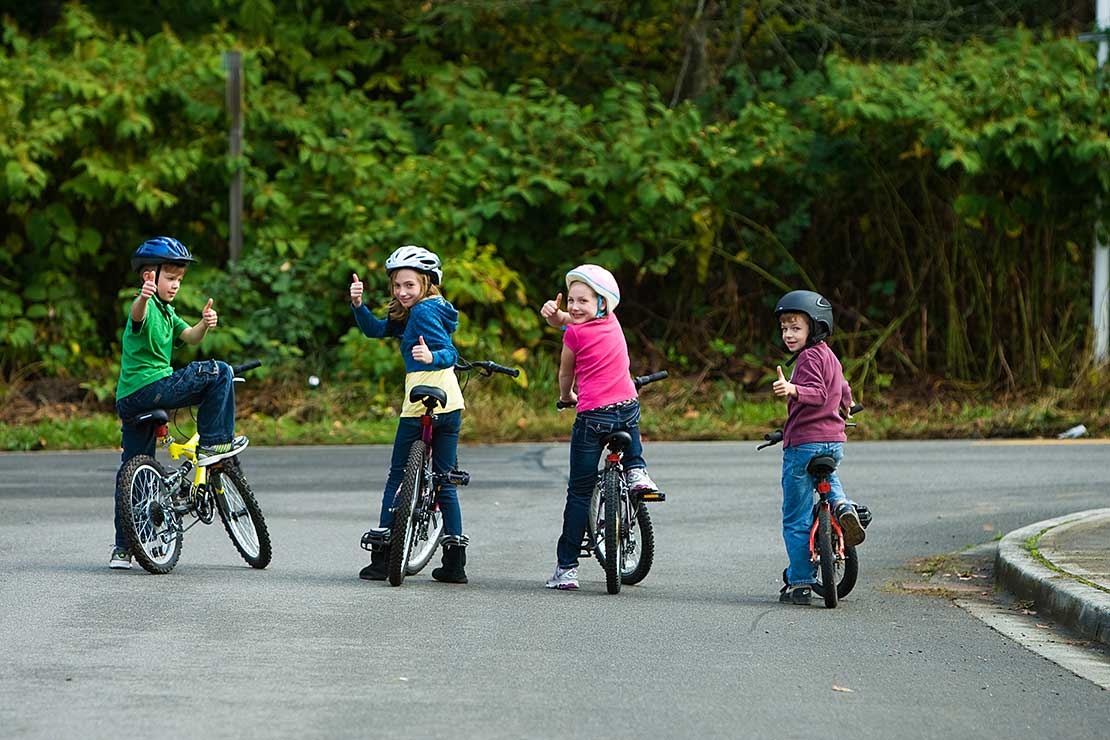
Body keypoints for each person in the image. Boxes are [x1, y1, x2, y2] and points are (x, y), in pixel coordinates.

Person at [111, 237, 246, 570]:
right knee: (219, 372)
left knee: (135, 468)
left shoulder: (168, 312)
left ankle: (123, 548)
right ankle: (216, 445)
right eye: (170, 278)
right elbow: (137, 316)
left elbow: (190, 338)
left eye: (179, 280)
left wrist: (204, 324)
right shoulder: (142, 306)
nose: (176, 285)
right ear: (149, 277)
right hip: (152, 387)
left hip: (130, 399)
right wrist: (142, 298)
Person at [351, 245, 470, 584]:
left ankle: (383, 554)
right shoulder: (430, 309)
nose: (402, 292)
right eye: (397, 286)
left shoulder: (423, 313)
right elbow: (375, 329)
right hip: (451, 404)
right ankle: (455, 562)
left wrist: (432, 357)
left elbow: (449, 351)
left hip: (419, 403)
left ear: (428, 283)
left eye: (410, 286)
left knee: (398, 475)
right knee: (445, 481)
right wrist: (359, 306)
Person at [539, 264, 657, 590]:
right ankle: (636, 471)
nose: (574, 307)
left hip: (593, 417)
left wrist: (566, 396)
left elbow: (566, 373)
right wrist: (557, 315)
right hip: (627, 408)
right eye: (572, 301)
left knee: (579, 492)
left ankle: (567, 569)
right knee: (631, 428)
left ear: (600, 304)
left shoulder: (575, 334)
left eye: (582, 302)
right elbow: (570, 319)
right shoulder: (612, 321)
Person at [771, 289, 868, 605]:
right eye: (785, 328)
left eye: (796, 327)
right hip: (833, 441)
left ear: (816, 326)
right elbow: (842, 391)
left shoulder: (809, 357)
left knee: (796, 516)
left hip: (803, 444)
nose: (788, 334)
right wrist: (847, 408)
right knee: (831, 481)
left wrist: (792, 388)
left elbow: (817, 391)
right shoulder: (830, 356)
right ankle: (842, 508)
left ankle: (800, 583)